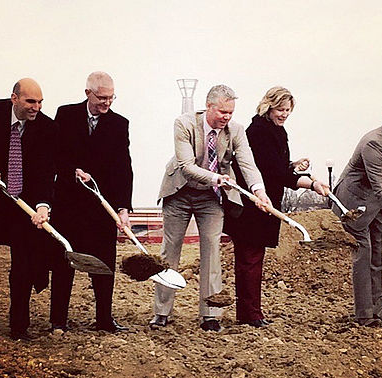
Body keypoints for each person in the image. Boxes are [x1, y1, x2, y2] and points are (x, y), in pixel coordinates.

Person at [150, 84, 271, 332]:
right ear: (209, 106)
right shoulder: (183, 124)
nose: (226, 117)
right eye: (222, 112)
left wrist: (260, 192)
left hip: (211, 198)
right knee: (170, 252)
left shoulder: (235, 130)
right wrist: (216, 177)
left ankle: (210, 314)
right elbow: (186, 165)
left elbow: (248, 163)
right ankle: (161, 312)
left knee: (212, 251)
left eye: (230, 112)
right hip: (179, 192)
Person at [224, 86, 327, 327]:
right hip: (253, 206)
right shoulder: (259, 131)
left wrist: (292, 166)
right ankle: (250, 314)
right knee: (249, 260)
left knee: (253, 259)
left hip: (266, 202)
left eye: (288, 110)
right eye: (280, 109)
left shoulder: (275, 131)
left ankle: (251, 312)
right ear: (268, 106)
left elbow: (275, 167)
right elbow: (271, 171)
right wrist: (310, 184)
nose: (284, 114)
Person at [50, 71, 133, 333]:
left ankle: (104, 320)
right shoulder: (66, 115)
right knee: (64, 262)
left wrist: (122, 208)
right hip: (68, 205)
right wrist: (71, 170)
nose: (107, 103)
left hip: (101, 208)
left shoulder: (119, 124)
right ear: (88, 93)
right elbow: (54, 154)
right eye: (102, 97)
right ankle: (58, 320)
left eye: (111, 97)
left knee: (104, 265)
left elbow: (123, 167)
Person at [0, 78, 57, 340]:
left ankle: (19, 327)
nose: (36, 107)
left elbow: (46, 173)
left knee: (23, 269)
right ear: (14, 98)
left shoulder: (47, 128)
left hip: (22, 208)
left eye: (40, 102)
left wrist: (43, 206)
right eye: (30, 102)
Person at [332, 103, 382, 326]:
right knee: (364, 254)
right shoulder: (373, 143)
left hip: (376, 202)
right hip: (354, 201)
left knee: (377, 254)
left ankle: (379, 310)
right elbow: (380, 186)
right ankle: (365, 315)